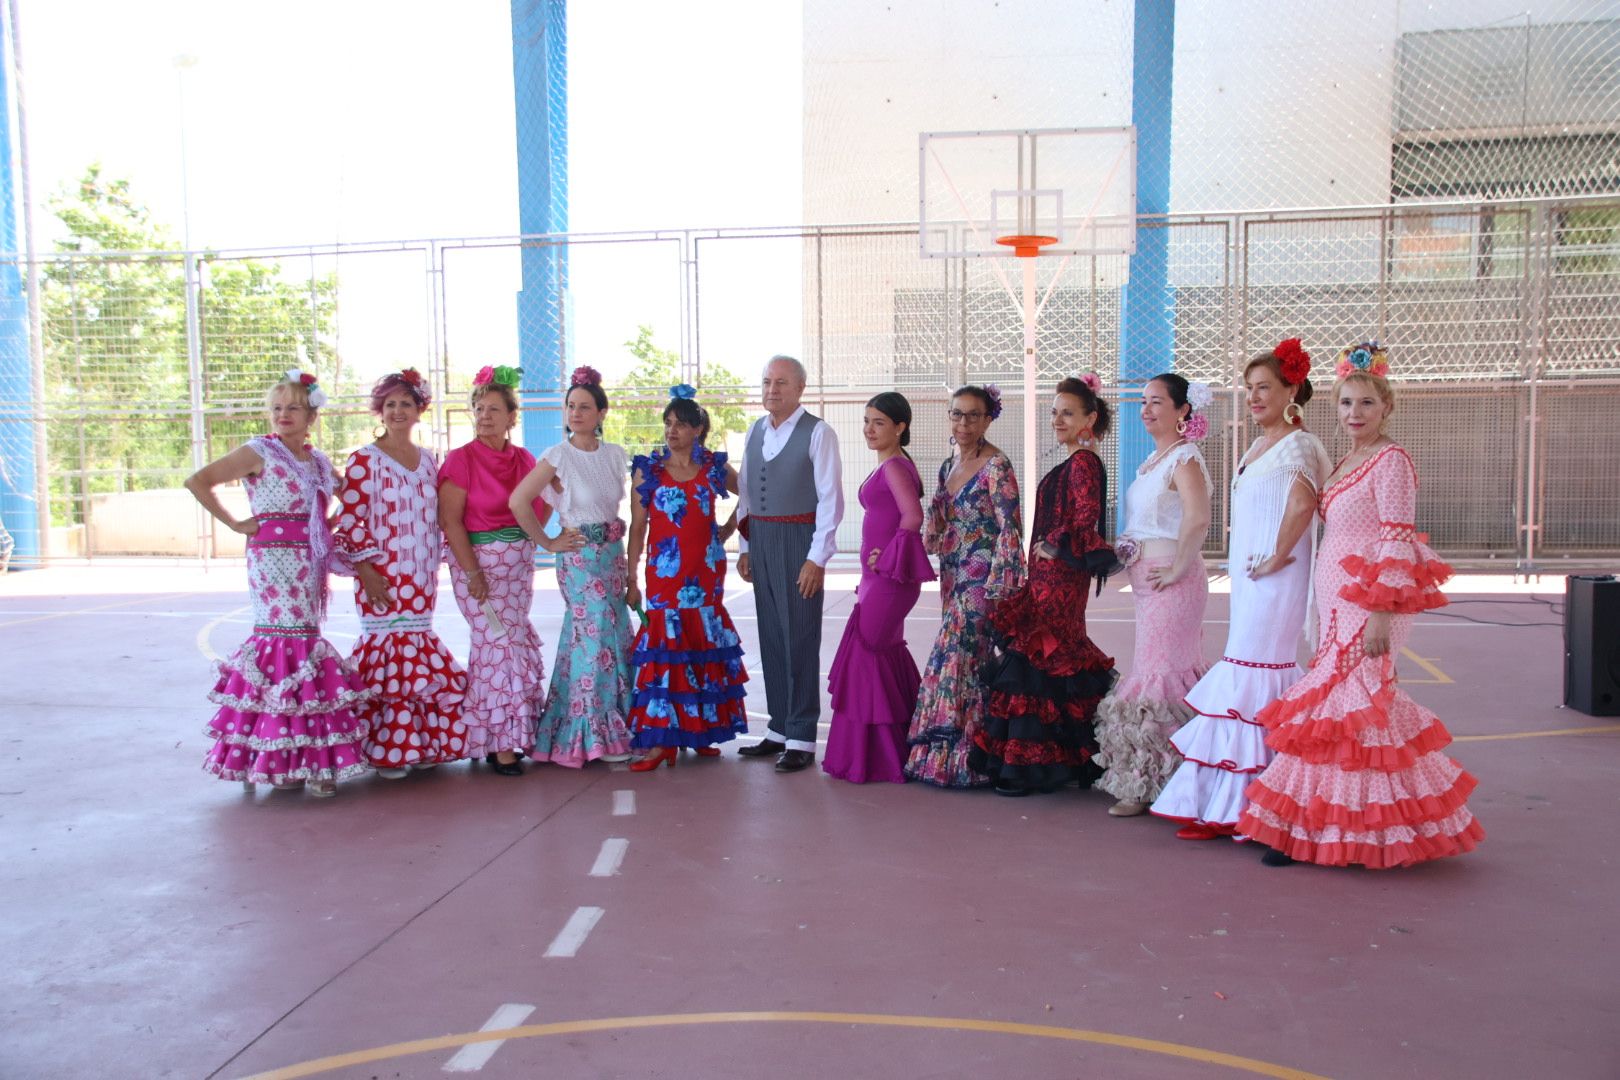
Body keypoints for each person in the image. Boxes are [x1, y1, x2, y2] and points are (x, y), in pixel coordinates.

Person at [1238, 343, 1484, 868]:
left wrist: (1381, 611)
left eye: (1366, 404)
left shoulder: (1392, 461)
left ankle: (1329, 828)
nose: (1355, 414)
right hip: (1335, 604)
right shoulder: (1352, 457)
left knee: (1347, 711)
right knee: (1350, 717)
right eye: (1347, 404)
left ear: (1386, 407)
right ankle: (1341, 825)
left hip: (1368, 606)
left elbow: (1396, 542)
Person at [1152, 341, 1330, 836]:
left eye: (1264, 388)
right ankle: (1233, 802)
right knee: (1247, 668)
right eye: (1249, 389)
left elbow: (1301, 505)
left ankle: (1250, 808)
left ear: (1291, 390)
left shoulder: (1298, 442)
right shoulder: (1260, 443)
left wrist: (1277, 554)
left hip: (1275, 578)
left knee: (1255, 670)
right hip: (1255, 577)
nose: (1254, 398)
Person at [186, 370, 369, 796]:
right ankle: (284, 757)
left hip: (310, 561)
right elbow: (198, 480)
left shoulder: (319, 461)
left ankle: (294, 757)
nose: (283, 415)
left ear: (311, 416)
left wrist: (332, 525)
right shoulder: (258, 451)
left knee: (303, 638)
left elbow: (350, 496)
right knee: (285, 643)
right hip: (271, 562)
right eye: (277, 407)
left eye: (293, 408)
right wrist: (235, 523)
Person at [972, 375, 1118, 796]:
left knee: (1045, 652)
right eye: (1054, 412)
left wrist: (1056, 546)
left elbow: (1086, 516)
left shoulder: (1084, 462)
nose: (1058, 419)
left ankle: (1037, 766)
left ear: (1089, 418)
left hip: (1061, 578)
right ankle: (1060, 761)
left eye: (1068, 412)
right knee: (1047, 655)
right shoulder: (1073, 461)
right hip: (1047, 577)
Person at [335, 368, 470, 779]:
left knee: (415, 645)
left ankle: (420, 742)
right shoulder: (362, 461)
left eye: (405, 404)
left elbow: (440, 517)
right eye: (390, 404)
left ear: (418, 411)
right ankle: (386, 748)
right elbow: (350, 519)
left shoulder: (430, 461)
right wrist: (366, 570)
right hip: (380, 575)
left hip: (421, 574)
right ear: (380, 411)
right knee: (387, 652)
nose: (397, 411)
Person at [1094, 373, 1214, 816]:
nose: (1146, 409)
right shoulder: (1154, 460)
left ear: (1183, 410)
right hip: (1147, 581)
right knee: (1156, 667)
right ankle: (1163, 776)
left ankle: (1159, 780)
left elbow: (1198, 517)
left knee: (1162, 673)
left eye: (1157, 402)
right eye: (1144, 402)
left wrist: (1180, 566)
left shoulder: (1183, 457)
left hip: (1171, 579)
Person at [512, 365, 636, 767]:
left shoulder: (616, 455)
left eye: (584, 407)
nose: (576, 413)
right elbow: (519, 501)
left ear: (601, 413)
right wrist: (547, 542)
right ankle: (590, 734)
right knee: (595, 631)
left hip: (611, 556)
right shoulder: (557, 456)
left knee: (610, 634)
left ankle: (614, 724)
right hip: (579, 557)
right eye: (570, 406)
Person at [904, 385, 1025, 788]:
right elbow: (936, 524)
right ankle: (975, 750)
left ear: (989, 419)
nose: (964, 423)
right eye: (957, 414)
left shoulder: (997, 466)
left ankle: (961, 756)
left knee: (955, 651)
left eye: (974, 415)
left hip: (983, 578)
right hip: (953, 572)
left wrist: (1003, 584)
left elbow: (1010, 526)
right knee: (971, 661)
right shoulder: (947, 465)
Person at [622, 385, 749, 770]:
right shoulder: (649, 468)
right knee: (668, 653)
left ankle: (700, 732)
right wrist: (632, 578)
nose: (671, 430)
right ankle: (663, 741)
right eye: (668, 423)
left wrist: (728, 531)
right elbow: (638, 527)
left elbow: (750, 494)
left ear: (697, 429)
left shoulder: (713, 465)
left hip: (706, 572)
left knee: (699, 649)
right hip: (664, 574)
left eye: (679, 424)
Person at [438, 365, 553, 777]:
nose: (484, 415)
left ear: (511, 417)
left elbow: (547, 500)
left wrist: (540, 538)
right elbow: (451, 521)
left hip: (519, 571)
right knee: (496, 645)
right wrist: (472, 574)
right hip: (478, 571)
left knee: (511, 645)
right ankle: (501, 743)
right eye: (478, 408)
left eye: (492, 409)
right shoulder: (461, 460)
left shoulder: (524, 459)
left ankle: (499, 737)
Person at [734, 355, 844, 774]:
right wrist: (745, 546)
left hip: (799, 540)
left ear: (799, 388)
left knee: (799, 635)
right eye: (766, 381)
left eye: (781, 382)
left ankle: (800, 735)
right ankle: (778, 727)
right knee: (771, 635)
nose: (771, 389)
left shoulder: (819, 433)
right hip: (761, 539)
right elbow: (745, 492)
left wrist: (816, 558)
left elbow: (831, 500)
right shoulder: (755, 430)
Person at [823, 392, 935, 784]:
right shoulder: (889, 465)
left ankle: (879, 757)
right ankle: (902, 749)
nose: (870, 429)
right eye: (867, 421)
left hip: (889, 580)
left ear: (900, 427)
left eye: (879, 423)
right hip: (879, 580)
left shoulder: (895, 468)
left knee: (868, 656)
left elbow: (913, 515)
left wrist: (887, 556)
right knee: (879, 656)